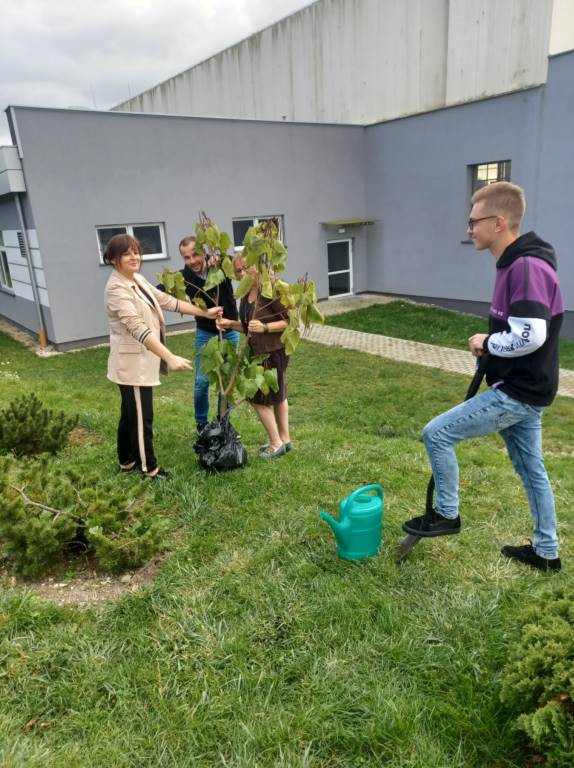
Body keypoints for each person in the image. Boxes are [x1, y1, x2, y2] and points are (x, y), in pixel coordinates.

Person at [402, 181, 564, 571]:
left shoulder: (525, 267)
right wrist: (492, 344)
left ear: (499, 222)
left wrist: (488, 342)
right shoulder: (516, 263)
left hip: (518, 392)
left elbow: (531, 335)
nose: (469, 229)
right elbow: (521, 329)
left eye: (474, 221)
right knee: (532, 471)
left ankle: (447, 514)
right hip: (529, 388)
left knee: (437, 433)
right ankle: (547, 553)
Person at [104, 233, 221, 478]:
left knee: (130, 414)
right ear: (114, 259)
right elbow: (137, 328)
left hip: (138, 361)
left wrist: (204, 313)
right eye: (126, 254)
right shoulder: (116, 288)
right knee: (141, 419)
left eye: (136, 252)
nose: (134, 257)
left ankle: (127, 461)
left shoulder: (136, 279)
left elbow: (168, 301)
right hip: (132, 364)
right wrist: (169, 356)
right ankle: (149, 469)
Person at [216, 253, 291, 459]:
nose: (241, 273)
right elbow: (249, 327)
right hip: (258, 352)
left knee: (257, 398)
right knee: (278, 395)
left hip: (273, 352)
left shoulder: (272, 288)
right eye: (237, 271)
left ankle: (275, 444)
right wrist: (231, 324)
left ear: (257, 266)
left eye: (245, 268)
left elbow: (290, 322)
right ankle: (285, 440)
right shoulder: (247, 292)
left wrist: (265, 327)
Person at [177, 236, 240, 432]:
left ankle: (223, 422)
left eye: (195, 255)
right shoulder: (183, 277)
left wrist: (222, 258)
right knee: (202, 382)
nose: (192, 261)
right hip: (205, 333)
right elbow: (159, 291)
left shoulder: (220, 266)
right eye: (186, 257)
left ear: (204, 252)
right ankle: (201, 424)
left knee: (226, 380)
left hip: (230, 332)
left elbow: (239, 264)